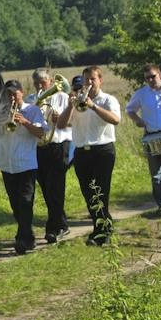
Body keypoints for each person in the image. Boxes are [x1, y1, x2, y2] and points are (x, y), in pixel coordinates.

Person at [56, 66, 121, 246]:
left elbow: (115, 120)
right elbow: (61, 125)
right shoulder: (77, 102)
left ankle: (102, 233)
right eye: (86, 80)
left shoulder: (108, 99)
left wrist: (93, 106)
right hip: (81, 152)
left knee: (101, 191)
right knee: (88, 193)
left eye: (92, 79)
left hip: (103, 150)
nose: (89, 83)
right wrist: (70, 105)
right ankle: (101, 227)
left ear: (100, 80)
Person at [0, 80, 44, 255]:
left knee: (25, 202)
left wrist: (25, 122)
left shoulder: (33, 110)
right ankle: (27, 235)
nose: (12, 97)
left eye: (14, 93)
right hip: (6, 163)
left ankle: (22, 239)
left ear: (21, 92)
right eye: (8, 94)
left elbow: (42, 134)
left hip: (26, 163)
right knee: (15, 204)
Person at [125, 64, 161, 216]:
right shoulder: (141, 94)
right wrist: (137, 120)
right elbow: (129, 109)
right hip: (151, 136)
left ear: (160, 75)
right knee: (156, 175)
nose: (150, 80)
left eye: (153, 76)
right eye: (147, 78)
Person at [30, 68, 71, 243]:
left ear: (51, 82)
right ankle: (61, 223)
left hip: (58, 145)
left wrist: (59, 118)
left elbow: (70, 123)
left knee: (56, 186)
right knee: (47, 188)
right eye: (37, 83)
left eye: (43, 83)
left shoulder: (63, 97)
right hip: (39, 147)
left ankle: (53, 228)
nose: (40, 86)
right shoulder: (31, 99)